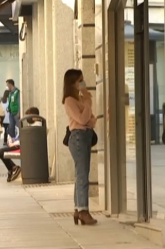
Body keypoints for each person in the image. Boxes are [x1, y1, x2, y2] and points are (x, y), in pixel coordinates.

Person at [63, 69, 97, 226]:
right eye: (80, 80)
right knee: (82, 174)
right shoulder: (69, 100)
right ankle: (83, 210)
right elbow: (83, 119)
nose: (83, 83)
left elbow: (92, 120)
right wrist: (88, 105)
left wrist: (86, 107)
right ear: (73, 83)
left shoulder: (81, 98)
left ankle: (78, 209)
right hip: (78, 137)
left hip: (85, 136)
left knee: (82, 173)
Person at [0, 107, 42, 182]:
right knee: (1, 151)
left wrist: (15, 143)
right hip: (23, 145)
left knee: (0, 152)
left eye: (28, 116)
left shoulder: (35, 126)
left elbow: (27, 140)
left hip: (24, 147)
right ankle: (13, 168)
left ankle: (13, 168)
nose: (27, 119)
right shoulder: (34, 125)